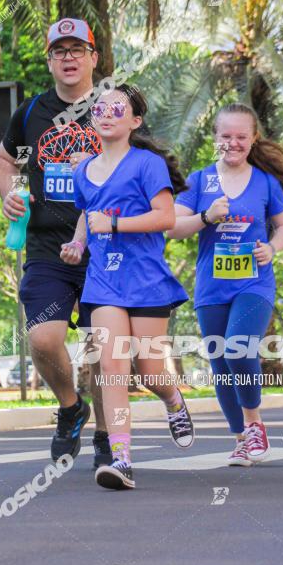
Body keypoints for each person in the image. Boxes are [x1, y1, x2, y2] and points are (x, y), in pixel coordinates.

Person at [61, 84, 194, 491]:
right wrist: (78, 242)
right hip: (103, 283)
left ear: (134, 121)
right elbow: (87, 214)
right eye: (100, 107)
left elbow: (166, 217)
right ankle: (122, 459)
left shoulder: (147, 164)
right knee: (113, 368)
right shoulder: (83, 170)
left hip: (148, 282)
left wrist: (115, 224)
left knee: (150, 371)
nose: (105, 112)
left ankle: (173, 400)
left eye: (117, 108)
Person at [0, 18, 111, 467]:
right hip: (46, 246)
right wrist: (10, 193)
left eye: (77, 49)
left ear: (93, 58)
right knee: (43, 338)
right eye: (59, 50)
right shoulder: (30, 112)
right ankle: (70, 407)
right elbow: (4, 160)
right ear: (50, 59)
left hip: (105, 247)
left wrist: (98, 164)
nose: (68, 57)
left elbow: (140, 170)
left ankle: (106, 436)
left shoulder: (113, 107)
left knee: (103, 347)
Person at [171, 102, 283, 466]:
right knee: (221, 367)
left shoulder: (265, 182)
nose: (233, 143)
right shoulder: (198, 181)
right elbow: (174, 227)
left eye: (241, 136)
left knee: (238, 348)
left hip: (254, 284)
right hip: (211, 288)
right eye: (226, 136)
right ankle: (241, 438)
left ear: (253, 138)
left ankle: (255, 423)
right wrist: (206, 217)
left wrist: (272, 247)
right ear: (215, 138)